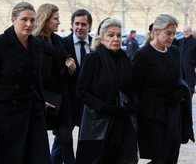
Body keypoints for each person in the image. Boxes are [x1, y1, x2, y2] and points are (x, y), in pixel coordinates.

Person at [132, 14, 194, 164]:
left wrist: (180, 92)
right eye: (168, 33)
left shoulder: (174, 51)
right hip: (152, 117)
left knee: (172, 158)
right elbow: (134, 88)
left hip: (174, 113)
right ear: (156, 31)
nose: (172, 37)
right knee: (160, 159)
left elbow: (179, 78)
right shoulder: (143, 55)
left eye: (174, 33)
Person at [75, 18, 138, 164]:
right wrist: (104, 107)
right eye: (110, 35)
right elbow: (81, 91)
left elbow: (133, 87)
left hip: (123, 119)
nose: (115, 39)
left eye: (118, 35)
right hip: (98, 121)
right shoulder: (93, 59)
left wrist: (134, 104)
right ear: (101, 38)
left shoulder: (125, 59)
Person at [0, 2, 51, 163]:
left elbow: (36, 78)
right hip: (6, 117)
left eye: (32, 20)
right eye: (24, 19)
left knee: (38, 158)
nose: (29, 24)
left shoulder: (37, 45)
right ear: (13, 19)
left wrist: (41, 101)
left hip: (33, 112)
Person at [33, 3, 76, 163]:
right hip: (42, 98)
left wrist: (71, 68)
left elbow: (64, 68)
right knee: (39, 143)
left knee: (66, 139)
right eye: (56, 19)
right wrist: (39, 99)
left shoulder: (58, 41)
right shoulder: (34, 43)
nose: (59, 22)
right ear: (45, 20)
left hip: (61, 98)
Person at [50, 9, 93, 164]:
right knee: (62, 143)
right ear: (72, 25)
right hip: (67, 102)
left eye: (83, 24)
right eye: (76, 23)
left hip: (88, 104)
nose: (79, 27)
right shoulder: (62, 44)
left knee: (87, 143)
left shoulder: (96, 46)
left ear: (90, 26)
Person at [177, 26, 196, 97]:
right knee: (181, 83)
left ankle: (189, 97)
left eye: (187, 31)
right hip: (181, 66)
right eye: (184, 31)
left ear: (191, 32)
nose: (185, 33)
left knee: (190, 84)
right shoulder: (180, 41)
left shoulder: (194, 41)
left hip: (190, 66)